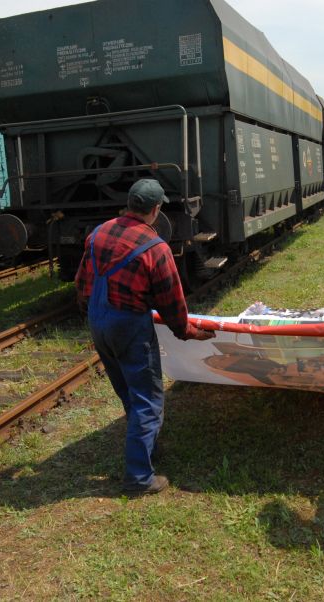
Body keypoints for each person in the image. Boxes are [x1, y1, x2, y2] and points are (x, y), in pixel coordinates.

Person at [75, 178, 215, 495]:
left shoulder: (99, 233)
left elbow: (83, 281)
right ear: (155, 210)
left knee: (128, 391)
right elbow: (172, 305)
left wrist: (95, 312)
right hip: (129, 327)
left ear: (129, 205)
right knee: (148, 401)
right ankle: (139, 478)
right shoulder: (156, 249)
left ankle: (145, 446)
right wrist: (190, 332)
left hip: (98, 321)